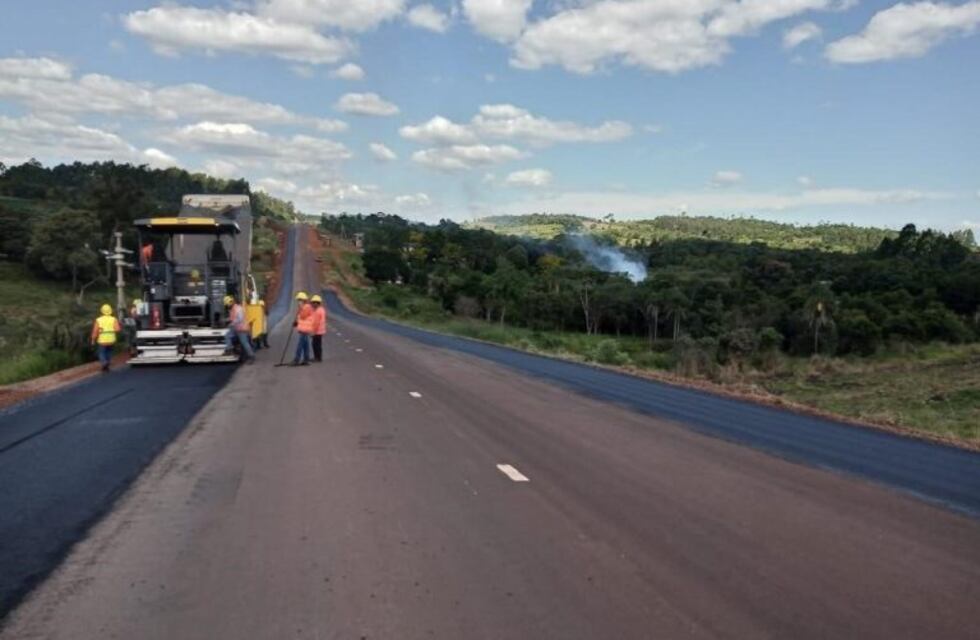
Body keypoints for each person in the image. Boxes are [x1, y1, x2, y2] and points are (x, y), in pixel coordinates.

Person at [223, 295, 255, 363]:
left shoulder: (238, 309)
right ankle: (229, 349)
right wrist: (225, 320)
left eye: (227, 304)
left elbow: (240, 319)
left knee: (244, 343)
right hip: (236, 328)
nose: (227, 306)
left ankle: (251, 356)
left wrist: (231, 323)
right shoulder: (232, 309)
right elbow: (232, 318)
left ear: (231, 302)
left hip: (242, 329)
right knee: (227, 335)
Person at [90, 304, 121, 372]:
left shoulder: (98, 320)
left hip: (102, 340)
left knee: (101, 352)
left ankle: (104, 363)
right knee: (109, 352)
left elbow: (95, 331)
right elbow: (118, 329)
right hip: (111, 339)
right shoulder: (114, 319)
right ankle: (107, 363)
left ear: (102, 311)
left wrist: (93, 340)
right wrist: (110, 329)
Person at [292, 291, 314, 366]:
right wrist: (296, 322)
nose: (298, 302)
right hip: (303, 328)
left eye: (299, 300)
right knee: (305, 345)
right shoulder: (304, 307)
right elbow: (301, 318)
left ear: (303, 300)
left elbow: (303, 316)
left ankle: (296, 359)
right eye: (298, 300)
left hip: (305, 329)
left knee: (300, 344)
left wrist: (300, 308)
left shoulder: (306, 307)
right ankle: (306, 359)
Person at [310, 294, 327, 362]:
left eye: (314, 303)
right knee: (318, 344)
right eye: (313, 303)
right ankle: (318, 357)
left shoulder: (318, 311)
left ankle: (317, 358)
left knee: (315, 344)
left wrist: (313, 332)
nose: (313, 304)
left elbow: (316, 323)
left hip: (317, 331)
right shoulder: (321, 310)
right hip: (320, 330)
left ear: (317, 303)